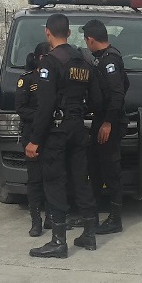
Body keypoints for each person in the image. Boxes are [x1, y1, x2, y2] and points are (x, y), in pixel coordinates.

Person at [27, 13, 98, 259]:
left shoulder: (49, 62)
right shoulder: (83, 60)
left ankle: (58, 241)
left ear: (47, 33)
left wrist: (35, 139)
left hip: (56, 130)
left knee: (54, 181)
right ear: (69, 33)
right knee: (80, 178)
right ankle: (89, 233)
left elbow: (45, 105)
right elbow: (96, 97)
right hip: (78, 126)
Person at [83, 19, 130, 236]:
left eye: (86, 41)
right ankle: (90, 214)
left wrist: (108, 122)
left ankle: (115, 218)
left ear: (91, 40)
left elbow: (118, 93)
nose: (86, 44)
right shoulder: (103, 58)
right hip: (101, 120)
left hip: (108, 123)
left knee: (110, 170)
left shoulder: (109, 61)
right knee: (95, 167)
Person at [16, 42, 49, 237]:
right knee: (35, 180)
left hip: (52, 135)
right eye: (44, 56)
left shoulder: (56, 77)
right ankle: (36, 221)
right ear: (37, 58)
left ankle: (51, 219)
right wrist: (41, 116)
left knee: (52, 179)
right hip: (32, 135)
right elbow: (21, 108)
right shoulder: (27, 80)